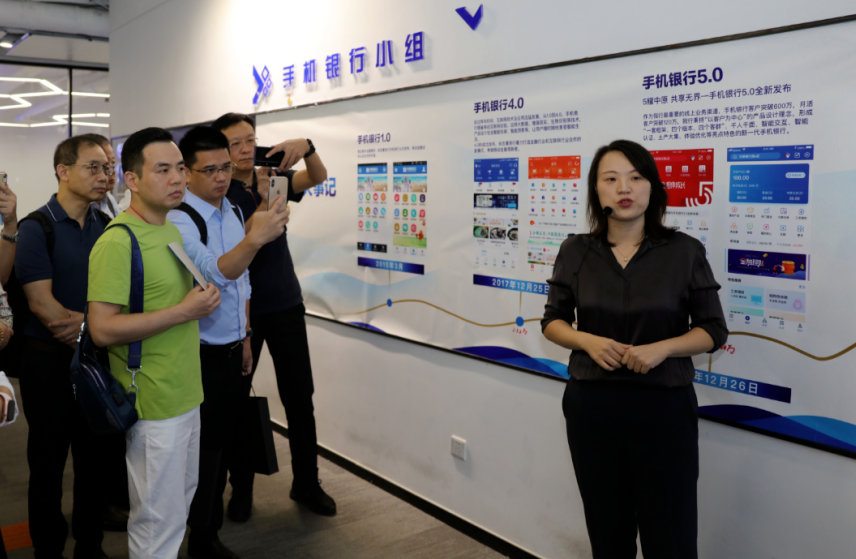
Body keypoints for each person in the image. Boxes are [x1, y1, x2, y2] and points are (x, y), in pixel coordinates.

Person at [541, 139, 728, 559]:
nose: (624, 188)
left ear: (652, 188)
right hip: (592, 408)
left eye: (636, 177)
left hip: (663, 408)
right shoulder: (575, 251)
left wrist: (662, 349)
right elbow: (552, 321)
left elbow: (714, 330)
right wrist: (586, 340)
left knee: (671, 537)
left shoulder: (684, 251)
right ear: (596, 190)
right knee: (608, 533)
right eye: (611, 179)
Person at [87, 127, 221, 559]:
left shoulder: (170, 231)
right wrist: (184, 311)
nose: (177, 178)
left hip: (186, 393)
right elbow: (102, 329)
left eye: (180, 168)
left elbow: (175, 303)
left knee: (177, 509)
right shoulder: (117, 241)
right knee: (155, 523)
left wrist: (199, 301)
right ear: (133, 180)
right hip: (152, 402)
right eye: (162, 170)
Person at [168, 126, 290, 559]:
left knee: (220, 443)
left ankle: (207, 531)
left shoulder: (233, 209)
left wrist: (246, 335)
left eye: (226, 167)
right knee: (201, 451)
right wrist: (256, 237)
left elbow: (244, 284)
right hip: (198, 351)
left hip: (233, 344)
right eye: (210, 170)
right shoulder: (180, 218)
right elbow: (217, 272)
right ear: (187, 172)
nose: (221, 177)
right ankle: (198, 536)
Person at [210, 113, 336, 520]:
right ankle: (240, 488)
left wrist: (308, 147)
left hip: (284, 303)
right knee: (236, 402)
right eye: (235, 143)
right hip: (240, 311)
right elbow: (243, 238)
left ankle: (307, 482)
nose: (246, 149)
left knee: (300, 397)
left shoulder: (273, 176)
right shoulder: (218, 191)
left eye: (250, 140)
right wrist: (264, 199)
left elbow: (316, 177)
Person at [14, 135, 114, 559]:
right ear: (63, 171)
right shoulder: (36, 227)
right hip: (48, 365)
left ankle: (90, 546)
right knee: (48, 463)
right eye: (94, 167)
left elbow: (120, 299)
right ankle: (48, 548)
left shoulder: (107, 225)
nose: (104, 175)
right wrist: (99, 328)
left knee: (94, 461)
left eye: (107, 167)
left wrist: (92, 329)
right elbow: (44, 308)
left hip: (96, 359)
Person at [81, 134, 121, 218]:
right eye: (105, 164)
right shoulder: (79, 208)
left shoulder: (110, 200)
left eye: (113, 162)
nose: (111, 171)